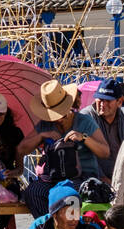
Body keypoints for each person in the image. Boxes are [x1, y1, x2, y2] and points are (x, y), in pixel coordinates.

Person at [19, 80, 108, 217]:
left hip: (82, 179)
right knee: (33, 192)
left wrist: (84, 138)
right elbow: (21, 150)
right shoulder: (45, 125)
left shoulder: (84, 121)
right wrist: (42, 135)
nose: (58, 120)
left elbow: (105, 152)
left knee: (66, 194)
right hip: (52, 179)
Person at [85, 78, 124, 178]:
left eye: (108, 101)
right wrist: (103, 179)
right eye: (100, 99)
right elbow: (87, 156)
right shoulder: (87, 117)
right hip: (95, 178)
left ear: (119, 102)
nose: (102, 104)